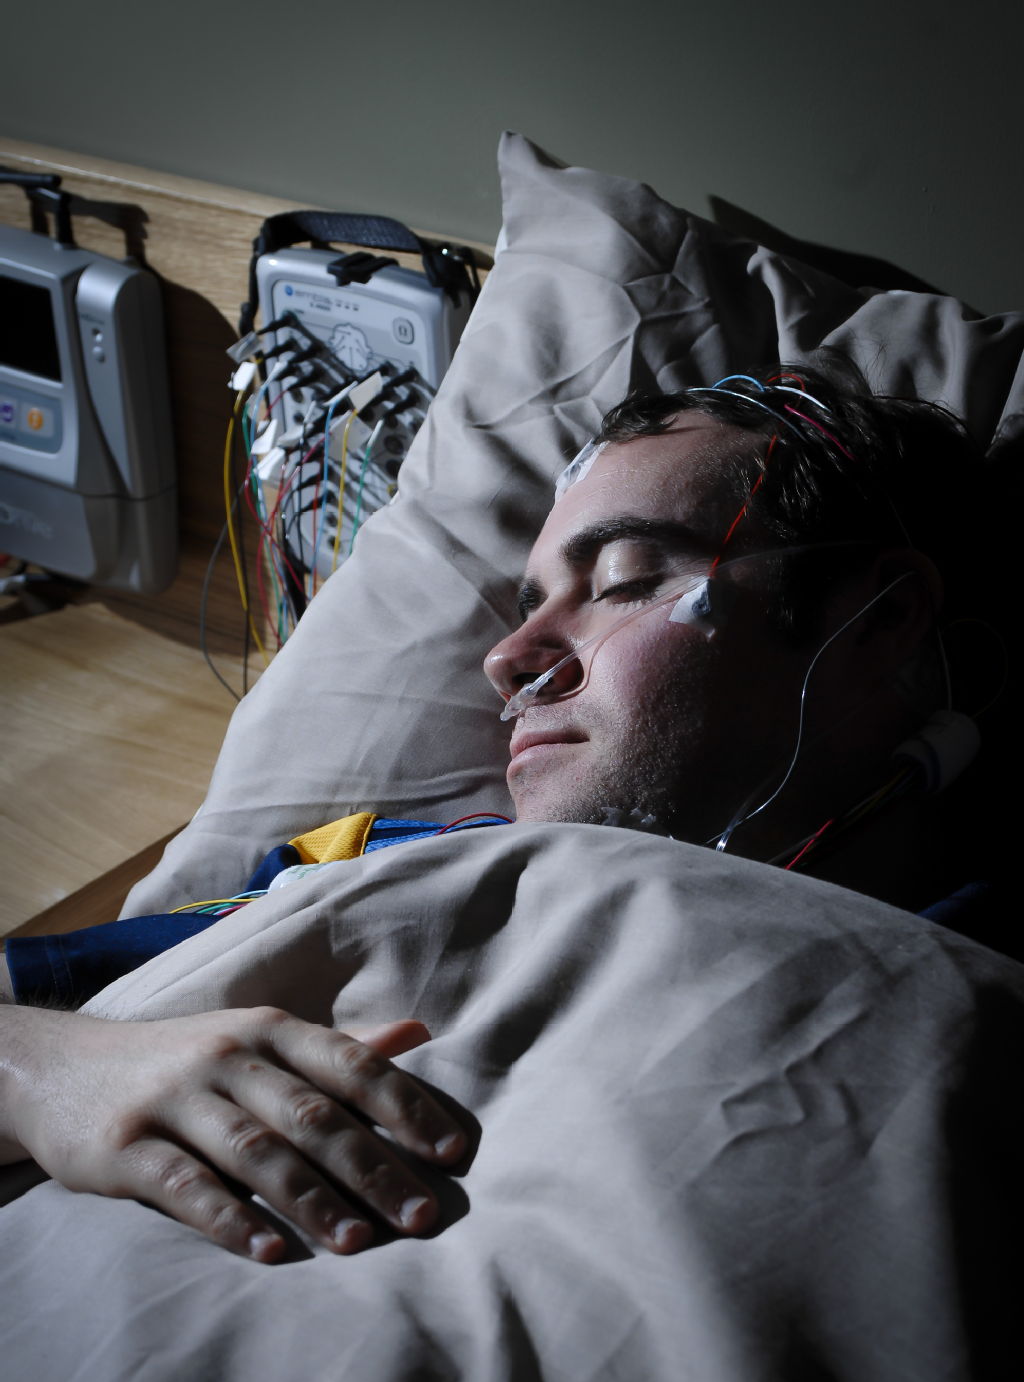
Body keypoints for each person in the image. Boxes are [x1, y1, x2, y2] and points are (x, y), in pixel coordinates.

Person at [0, 361, 1010, 1265]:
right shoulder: (376, 868)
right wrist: (56, 1071)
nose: (508, 657)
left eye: (622, 580)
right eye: (531, 601)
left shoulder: (979, 997)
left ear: (880, 618)